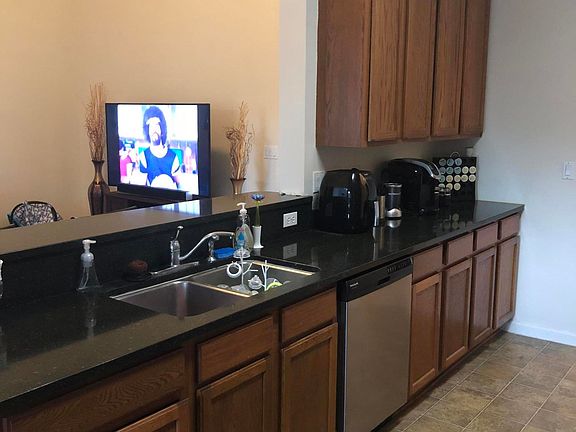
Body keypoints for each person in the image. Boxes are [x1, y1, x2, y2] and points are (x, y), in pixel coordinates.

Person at [138, 106, 180, 187]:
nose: (154, 130)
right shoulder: (144, 156)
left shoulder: (173, 157)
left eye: (156, 125)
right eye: (151, 126)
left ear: (162, 129)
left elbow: (180, 186)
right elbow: (141, 188)